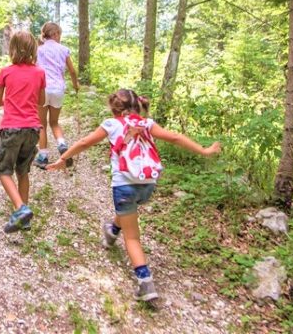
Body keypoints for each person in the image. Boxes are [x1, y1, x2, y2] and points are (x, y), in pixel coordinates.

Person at [46, 88, 221, 301]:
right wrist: (204, 150)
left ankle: (145, 282)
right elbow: (174, 137)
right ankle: (111, 231)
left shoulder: (111, 124)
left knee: (132, 237)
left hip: (124, 186)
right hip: (148, 185)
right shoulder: (146, 124)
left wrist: (63, 158)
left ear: (114, 108)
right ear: (136, 105)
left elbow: (84, 143)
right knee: (127, 211)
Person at [0, 31, 46, 233]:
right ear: (34, 49)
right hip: (33, 129)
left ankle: (21, 209)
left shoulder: (5, 72)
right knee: (23, 171)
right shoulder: (40, 73)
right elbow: (41, 101)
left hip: (11, 128)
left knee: (4, 170)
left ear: (12, 49)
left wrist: (10, 98)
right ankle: (23, 218)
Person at [34, 22, 80, 169]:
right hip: (58, 89)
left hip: (42, 88)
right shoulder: (64, 49)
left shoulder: (38, 50)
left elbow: (33, 68)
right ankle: (62, 145)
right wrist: (75, 85)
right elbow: (72, 71)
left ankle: (43, 157)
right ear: (55, 34)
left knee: (41, 123)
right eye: (59, 34)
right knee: (54, 122)